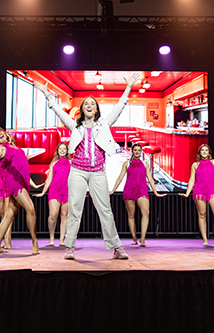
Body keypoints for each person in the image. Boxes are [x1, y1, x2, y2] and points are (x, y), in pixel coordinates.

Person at [34, 72, 139, 260]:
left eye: (93, 104)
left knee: (105, 209)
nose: (89, 105)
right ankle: (70, 247)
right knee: (75, 209)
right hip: (78, 172)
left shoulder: (104, 123)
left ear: (97, 109)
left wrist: (129, 87)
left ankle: (116, 247)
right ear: (82, 109)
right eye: (86, 104)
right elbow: (57, 109)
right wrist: (46, 93)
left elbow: (120, 108)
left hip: (98, 172)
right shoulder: (75, 125)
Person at [0, 127, 39, 254]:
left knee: (9, 215)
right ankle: (34, 243)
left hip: (21, 182)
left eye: (0, 131)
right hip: (14, 184)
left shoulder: (12, 147)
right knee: (30, 209)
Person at [109, 144, 165, 247]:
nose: (137, 152)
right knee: (131, 215)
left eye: (139, 150)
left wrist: (156, 192)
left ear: (141, 151)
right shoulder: (127, 163)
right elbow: (120, 177)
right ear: (132, 151)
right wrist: (113, 190)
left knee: (146, 213)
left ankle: (142, 239)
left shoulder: (145, 164)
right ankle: (134, 238)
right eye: (135, 150)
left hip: (142, 190)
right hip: (129, 190)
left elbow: (150, 179)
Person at [179, 144, 214, 246]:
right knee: (202, 215)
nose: (204, 152)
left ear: (209, 152)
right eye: (202, 150)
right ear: (199, 153)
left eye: (206, 150)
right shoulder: (195, 165)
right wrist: (187, 193)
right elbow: (192, 179)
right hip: (199, 191)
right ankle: (205, 240)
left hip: (212, 190)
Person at [34, 143, 71, 247]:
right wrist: (43, 192)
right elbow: (49, 178)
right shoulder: (54, 162)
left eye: (64, 149)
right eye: (60, 149)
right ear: (57, 150)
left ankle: (62, 239)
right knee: (53, 215)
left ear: (67, 151)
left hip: (67, 191)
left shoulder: (71, 162)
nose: (62, 151)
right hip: (55, 190)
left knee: (64, 216)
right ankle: (51, 237)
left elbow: (73, 179)